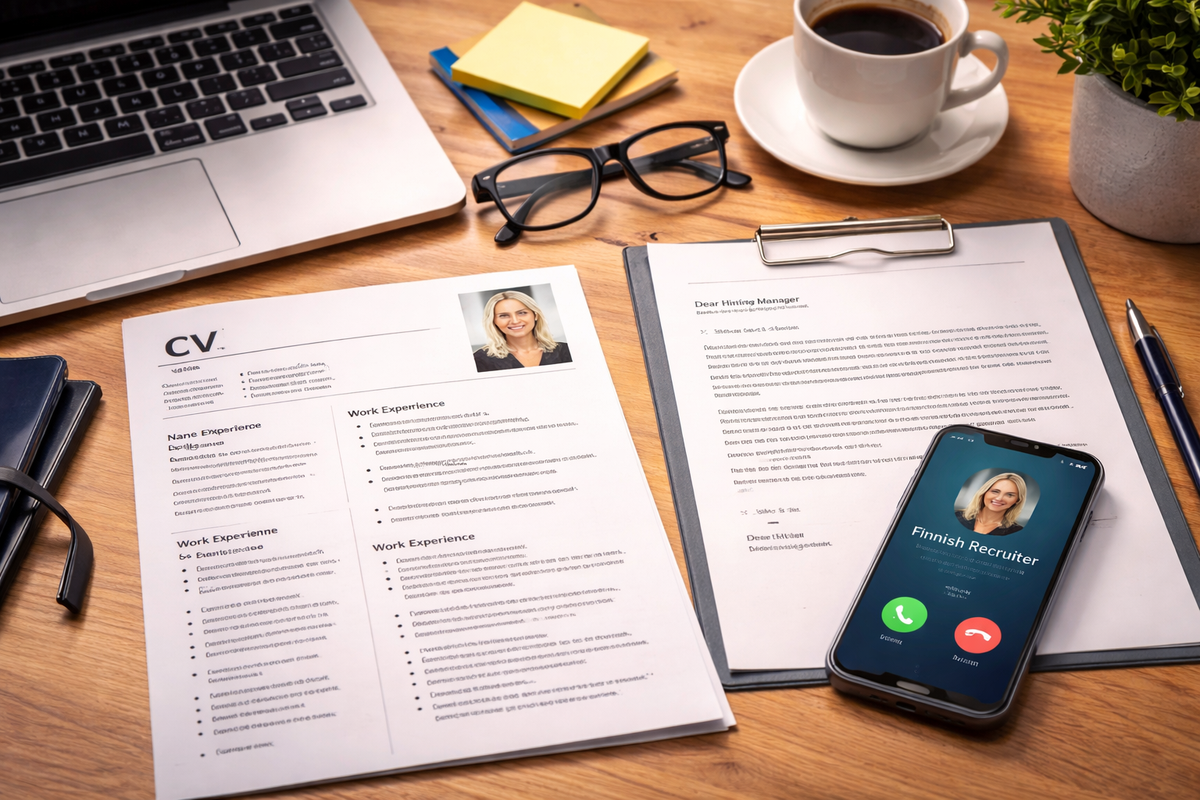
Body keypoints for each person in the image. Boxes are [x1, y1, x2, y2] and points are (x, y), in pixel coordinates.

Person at [473, 290, 572, 371]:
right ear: (493, 321)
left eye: (522, 313)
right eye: (503, 315)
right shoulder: (479, 360)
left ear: (535, 315)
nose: (515, 321)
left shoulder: (566, 351)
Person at [955, 472, 1028, 536]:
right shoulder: (958, 516)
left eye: (1009, 495)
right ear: (984, 492)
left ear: (1017, 500)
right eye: (995, 491)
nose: (999, 498)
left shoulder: (1016, 532)